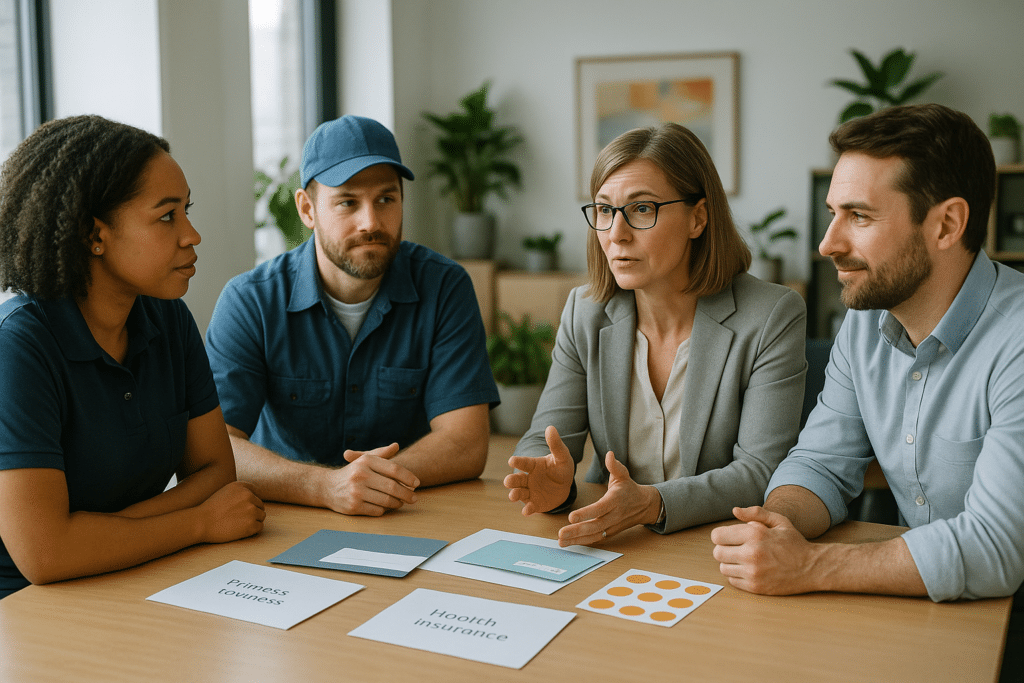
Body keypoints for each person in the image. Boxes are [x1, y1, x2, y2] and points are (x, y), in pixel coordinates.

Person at [711, 104, 1024, 609]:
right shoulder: (864, 324)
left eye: (858, 216)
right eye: (833, 213)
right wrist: (778, 524)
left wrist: (809, 565)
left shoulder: (1018, 341)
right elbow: (821, 463)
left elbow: (994, 549)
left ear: (946, 225)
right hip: (928, 609)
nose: (827, 243)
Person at [0, 115, 266, 599]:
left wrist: (91, 532)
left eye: (187, 211)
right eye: (167, 216)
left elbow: (216, 473)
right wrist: (198, 522)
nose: (192, 235)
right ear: (93, 235)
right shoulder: (18, 346)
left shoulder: (169, 320)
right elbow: (44, 555)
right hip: (26, 608)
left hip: (134, 573)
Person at [504, 123, 807, 546]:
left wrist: (653, 503)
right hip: (608, 536)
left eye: (642, 208)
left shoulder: (771, 315)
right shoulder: (584, 311)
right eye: (605, 210)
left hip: (715, 542)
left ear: (698, 218)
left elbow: (760, 470)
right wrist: (552, 480)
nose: (616, 234)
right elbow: (547, 437)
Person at [205, 115, 498, 518]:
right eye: (347, 202)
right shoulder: (250, 301)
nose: (371, 223)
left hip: (409, 512)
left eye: (386, 199)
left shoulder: (445, 287)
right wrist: (324, 486)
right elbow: (215, 450)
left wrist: (368, 484)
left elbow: (466, 442)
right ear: (307, 209)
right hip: (285, 516)